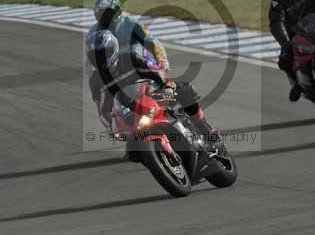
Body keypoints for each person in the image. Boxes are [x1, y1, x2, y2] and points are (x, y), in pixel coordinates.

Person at [85, 30, 220, 150]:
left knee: (182, 91)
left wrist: (166, 86)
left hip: (150, 94)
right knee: (132, 151)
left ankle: (205, 129)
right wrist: (110, 126)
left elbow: (154, 71)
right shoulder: (96, 81)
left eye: (104, 53)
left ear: (113, 49)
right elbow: (102, 110)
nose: (101, 59)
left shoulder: (129, 58)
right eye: (95, 56)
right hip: (129, 113)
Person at [88, 0, 169, 71]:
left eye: (108, 14)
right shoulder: (93, 32)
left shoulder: (131, 23)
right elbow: (91, 57)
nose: (105, 18)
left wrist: (161, 58)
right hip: (113, 69)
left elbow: (152, 41)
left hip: (140, 65)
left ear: (118, 12)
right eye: (101, 14)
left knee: (161, 77)